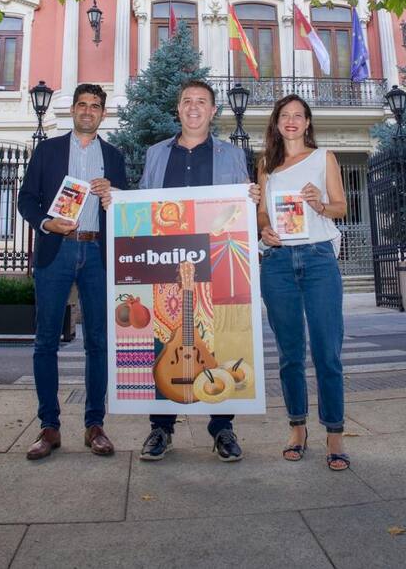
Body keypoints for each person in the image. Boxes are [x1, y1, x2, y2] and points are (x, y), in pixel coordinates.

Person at [114, 79, 258, 462]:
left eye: (202, 101)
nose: (194, 107)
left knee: (217, 340)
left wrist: (251, 198)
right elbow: (143, 203)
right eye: (187, 101)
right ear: (178, 109)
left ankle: (222, 427)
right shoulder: (156, 154)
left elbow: (239, 207)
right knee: (164, 338)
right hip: (166, 260)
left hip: (216, 261)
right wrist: (119, 206)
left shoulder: (232, 155)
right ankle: (161, 428)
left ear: (213, 111)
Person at [17, 83, 129, 461]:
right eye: (82, 104)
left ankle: (95, 425)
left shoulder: (113, 157)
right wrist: (47, 223)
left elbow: (126, 205)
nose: (88, 111)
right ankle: (49, 427)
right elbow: (26, 199)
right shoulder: (48, 151)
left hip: (98, 252)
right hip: (57, 250)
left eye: (95, 106)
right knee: (45, 341)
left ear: (103, 114)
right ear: (73, 110)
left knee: (98, 342)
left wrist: (113, 193)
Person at [256, 94, 351, 471]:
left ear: (308, 122)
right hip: (277, 262)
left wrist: (319, 204)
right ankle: (297, 428)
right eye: (285, 115)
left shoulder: (324, 157)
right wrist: (265, 229)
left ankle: (335, 433)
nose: (292, 121)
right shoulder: (266, 164)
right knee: (289, 353)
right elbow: (262, 213)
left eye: (299, 115)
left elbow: (341, 207)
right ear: (277, 122)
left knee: (327, 351)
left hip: (317, 259)